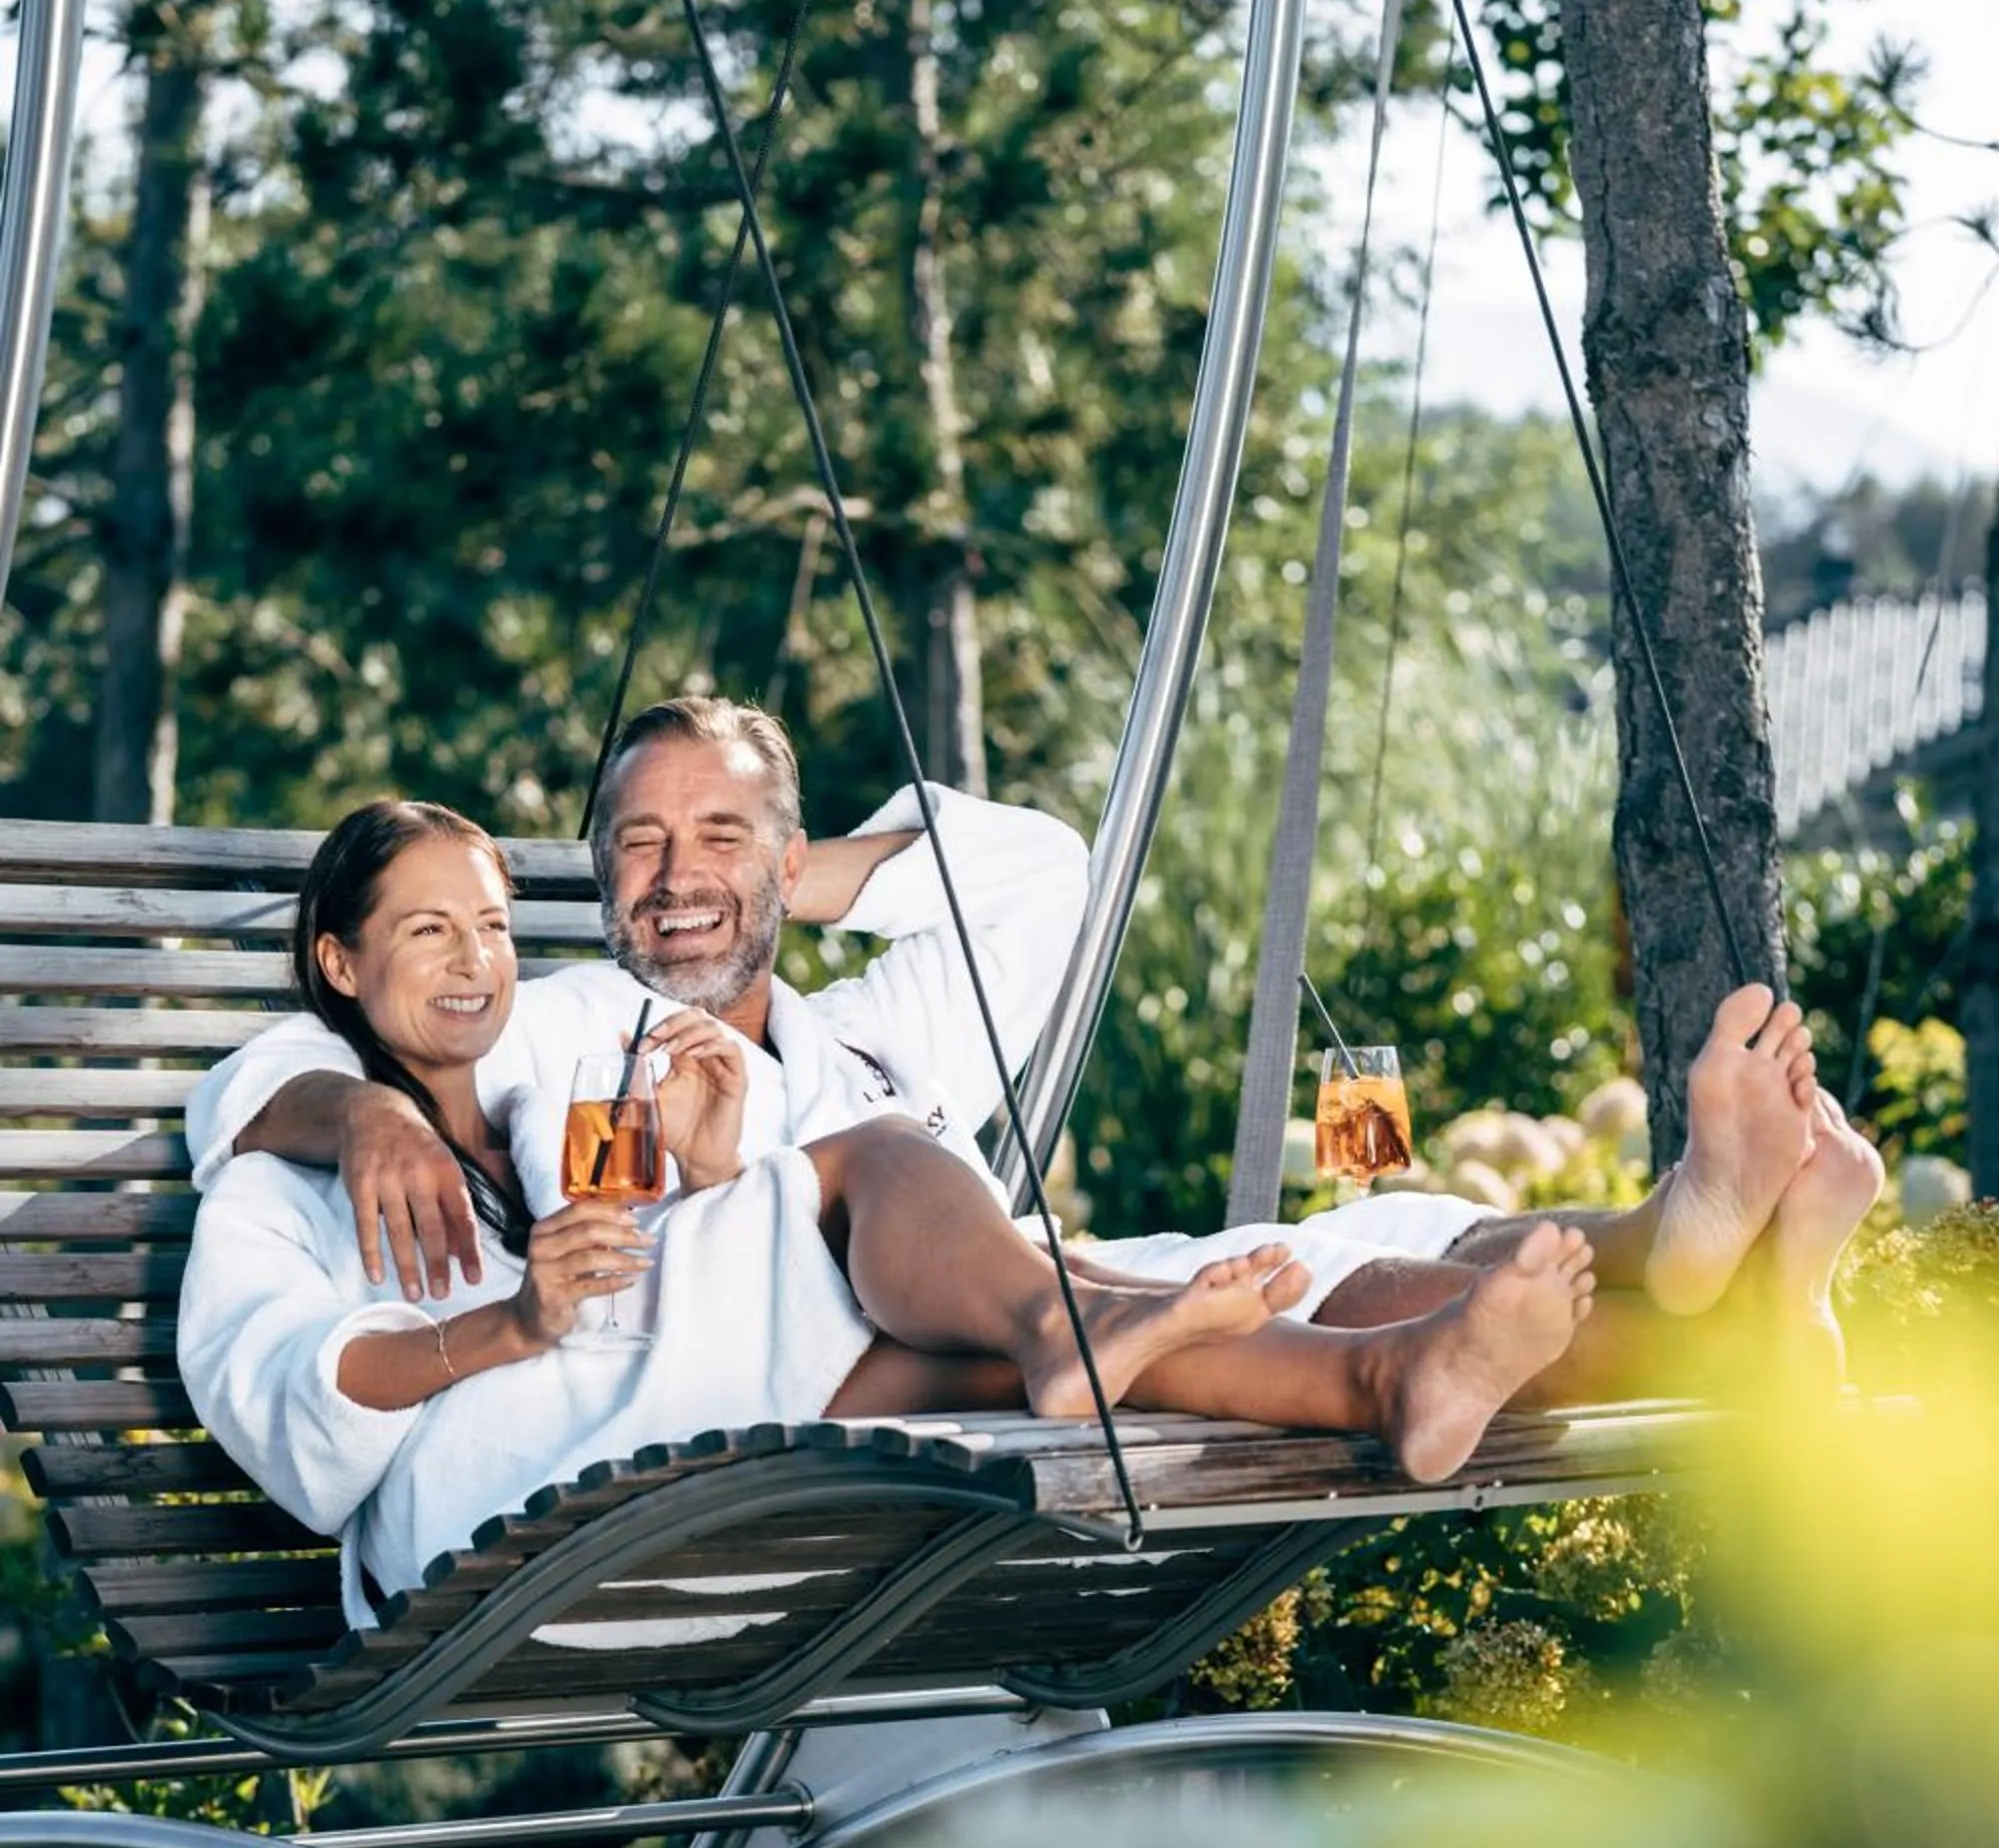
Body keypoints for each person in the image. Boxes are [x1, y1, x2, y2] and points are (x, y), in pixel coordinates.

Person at [185, 695, 1880, 1409]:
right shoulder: (565, 1023)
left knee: (1352, 1261)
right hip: (861, 1364)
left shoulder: (879, 1027)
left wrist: (799, 867)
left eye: (717, 839)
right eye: (636, 845)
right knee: (1288, 1303)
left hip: (1039, 1297)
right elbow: (287, 1073)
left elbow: (1044, 874)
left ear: (786, 863)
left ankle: (1705, 1268)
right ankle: (1696, 1262)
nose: (674, 877)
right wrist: (358, 1120)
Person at [178, 799, 1597, 1625]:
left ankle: (1388, 1378)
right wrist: (503, 1314)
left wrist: (722, 1173)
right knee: (861, 1161)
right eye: (428, 932)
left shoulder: (550, 1071)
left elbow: (644, 1300)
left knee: (950, 1355)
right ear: (339, 962)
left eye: (491, 925)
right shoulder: (278, 1161)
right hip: (469, 1517)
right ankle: (1076, 1327)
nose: (477, 960)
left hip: (639, 1433)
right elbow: (290, 1397)